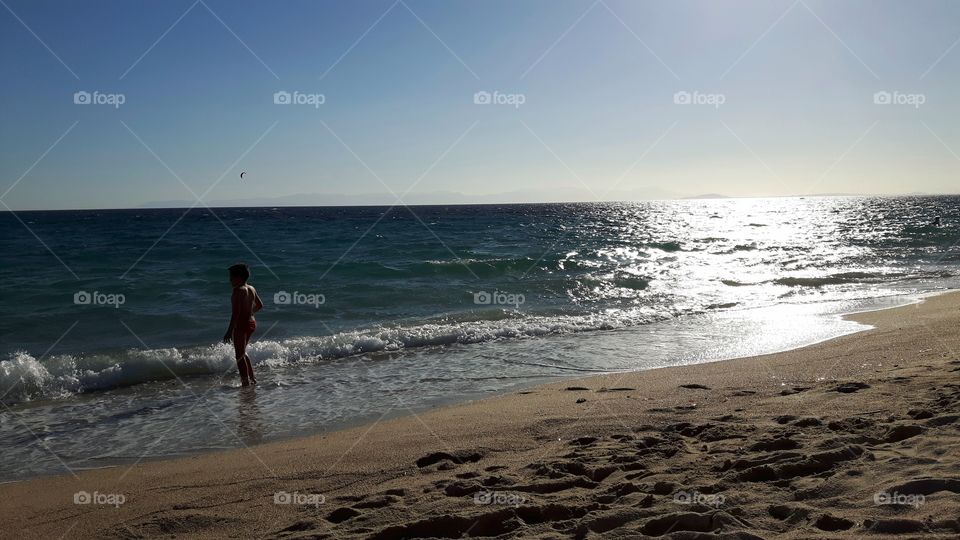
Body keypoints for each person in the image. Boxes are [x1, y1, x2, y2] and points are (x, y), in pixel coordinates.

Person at [222, 263, 263, 386]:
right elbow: (260, 305)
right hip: (251, 323)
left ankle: (245, 382)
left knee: (239, 356)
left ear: (239, 277)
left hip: (241, 325)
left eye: (231, 277)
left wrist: (229, 331)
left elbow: (235, 314)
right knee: (242, 353)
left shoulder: (237, 291)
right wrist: (250, 312)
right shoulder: (251, 288)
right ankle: (252, 378)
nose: (229, 280)